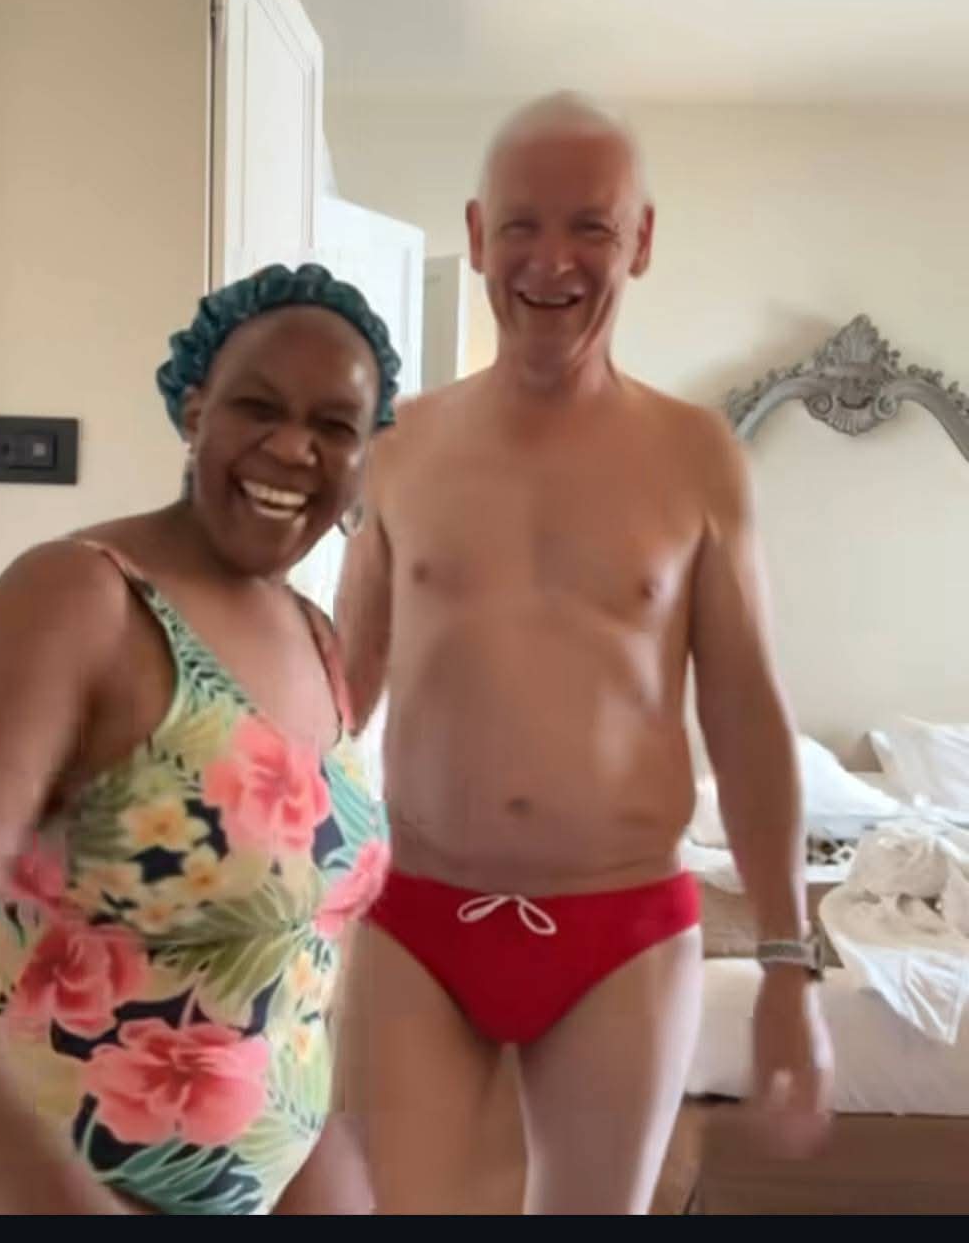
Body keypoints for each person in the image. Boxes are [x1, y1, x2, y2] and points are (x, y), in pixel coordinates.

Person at [334, 94, 834, 1215]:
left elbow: (748, 720)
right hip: (419, 915)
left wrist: (789, 967)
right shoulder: (397, 445)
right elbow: (335, 696)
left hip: (621, 928)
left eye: (591, 227)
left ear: (641, 240)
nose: (550, 261)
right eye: (520, 224)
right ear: (476, 234)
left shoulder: (696, 455)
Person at [0, 262, 401, 1216]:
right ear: (195, 409)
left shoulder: (314, 635)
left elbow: (290, 966)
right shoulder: (78, 598)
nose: (294, 447)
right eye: (258, 406)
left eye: (335, 426)